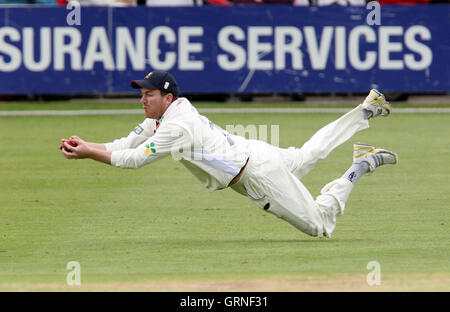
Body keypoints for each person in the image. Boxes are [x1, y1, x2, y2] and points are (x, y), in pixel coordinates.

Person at [60, 71, 397, 238]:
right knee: (310, 153)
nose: (142, 100)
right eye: (141, 95)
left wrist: (89, 153)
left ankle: (359, 165)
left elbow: (133, 160)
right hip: (255, 152)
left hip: (256, 176)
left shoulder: (176, 127)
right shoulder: (170, 114)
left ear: (166, 97)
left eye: (148, 95)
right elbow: (125, 144)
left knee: (321, 226)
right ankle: (366, 109)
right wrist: (89, 144)